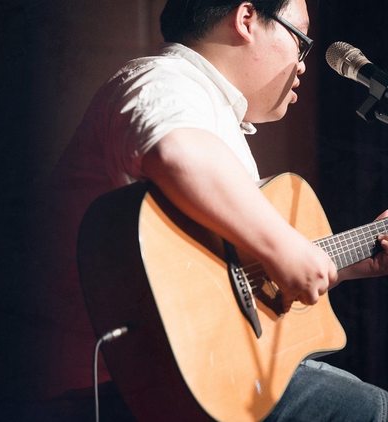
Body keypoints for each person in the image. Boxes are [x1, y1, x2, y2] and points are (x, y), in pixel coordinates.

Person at [32, 0, 388, 420]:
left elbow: (230, 276)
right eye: (301, 40)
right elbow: (177, 152)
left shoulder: (209, 112)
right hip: (117, 387)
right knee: (370, 408)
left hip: (181, 376)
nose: (303, 64)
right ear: (247, 19)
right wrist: (284, 248)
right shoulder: (164, 79)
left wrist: (356, 260)